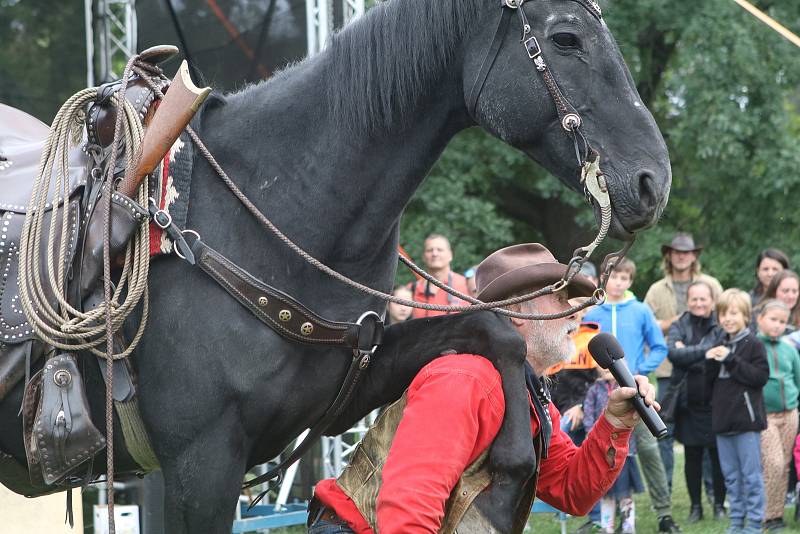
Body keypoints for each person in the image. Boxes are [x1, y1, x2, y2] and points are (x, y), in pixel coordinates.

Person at [306, 243, 659, 534]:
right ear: (519, 311)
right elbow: (409, 507)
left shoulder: (524, 388)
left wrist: (615, 422)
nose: (576, 313)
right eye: (563, 300)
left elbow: (572, 490)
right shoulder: (465, 379)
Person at [584, 258, 682, 533]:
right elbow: (580, 348)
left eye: (625, 278)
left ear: (630, 281)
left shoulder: (640, 311)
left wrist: (639, 371)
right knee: (600, 452)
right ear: (604, 277)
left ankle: (664, 513)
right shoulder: (592, 311)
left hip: (637, 394)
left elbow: (659, 347)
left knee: (650, 451)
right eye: (614, 277)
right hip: (602, 393)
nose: (618, 282)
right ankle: (597, 516)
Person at [644, 232, 723, 491]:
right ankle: (665, 486)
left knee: (708, 432)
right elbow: (648, 325)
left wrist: (685, 347)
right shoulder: (657, 289)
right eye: (676, 251)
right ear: (669, 254)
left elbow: (725, 319)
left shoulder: (710, 283)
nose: (681, 256)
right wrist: (672, 324)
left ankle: (712, 490)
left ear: (694, 256)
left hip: (708, 373)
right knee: (664, 428)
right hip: (670, 372)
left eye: (686, 252)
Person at [705, 289, 769, 534]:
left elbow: (760, 377)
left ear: (746, 315)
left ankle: (754, 524)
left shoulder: (753, 344)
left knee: (751, 477)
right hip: (723, 423)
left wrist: (730, 359)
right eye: (723, 314)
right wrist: (709, 361)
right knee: (731, 476)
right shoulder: (719, 342)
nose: (727, 319)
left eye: (733, 313)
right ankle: (736, 521)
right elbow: (708, 388)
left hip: (747, 423)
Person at [666, 281, 727, 523]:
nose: (699, 304)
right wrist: (704, 352)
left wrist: (688, 351)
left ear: (712, 301)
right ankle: (695, 507)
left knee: (717, 458)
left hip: (717, 403)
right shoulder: (678, 324)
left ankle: (720, 505)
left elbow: (721, 352)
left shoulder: (721, 325)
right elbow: (673, 354)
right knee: (692, 457)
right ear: (687, 301)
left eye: (704, 299)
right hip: (688, 404)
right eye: (694, 299)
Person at [756, 299, 800, 532]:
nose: (777, 325)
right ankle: (764, 513)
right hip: (766, 416)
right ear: (760, 319)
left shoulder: (789, 349)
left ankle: (776, 515)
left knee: (783, 465)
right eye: (773, 320)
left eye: (782, 322)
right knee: (771, 462)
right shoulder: (753, 345)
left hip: (790, 414)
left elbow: (797, 377)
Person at [584, 366, 645, 534]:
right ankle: (606, 527)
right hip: (603, 454)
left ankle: (628, 526)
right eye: (602, 366)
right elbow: (588, 415)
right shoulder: (594, 391)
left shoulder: (628, 391)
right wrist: (592, 436)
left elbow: (634, 417)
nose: (606, 369)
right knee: (605, 494)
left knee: (626, 493)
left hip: (625, 453)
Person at [408, 234, 470, 319]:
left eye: (440, 250)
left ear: (450, 255)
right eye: (430, 250)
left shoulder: (466, 285)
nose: (435, 253)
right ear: (423, 256)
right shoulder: (411, 290)